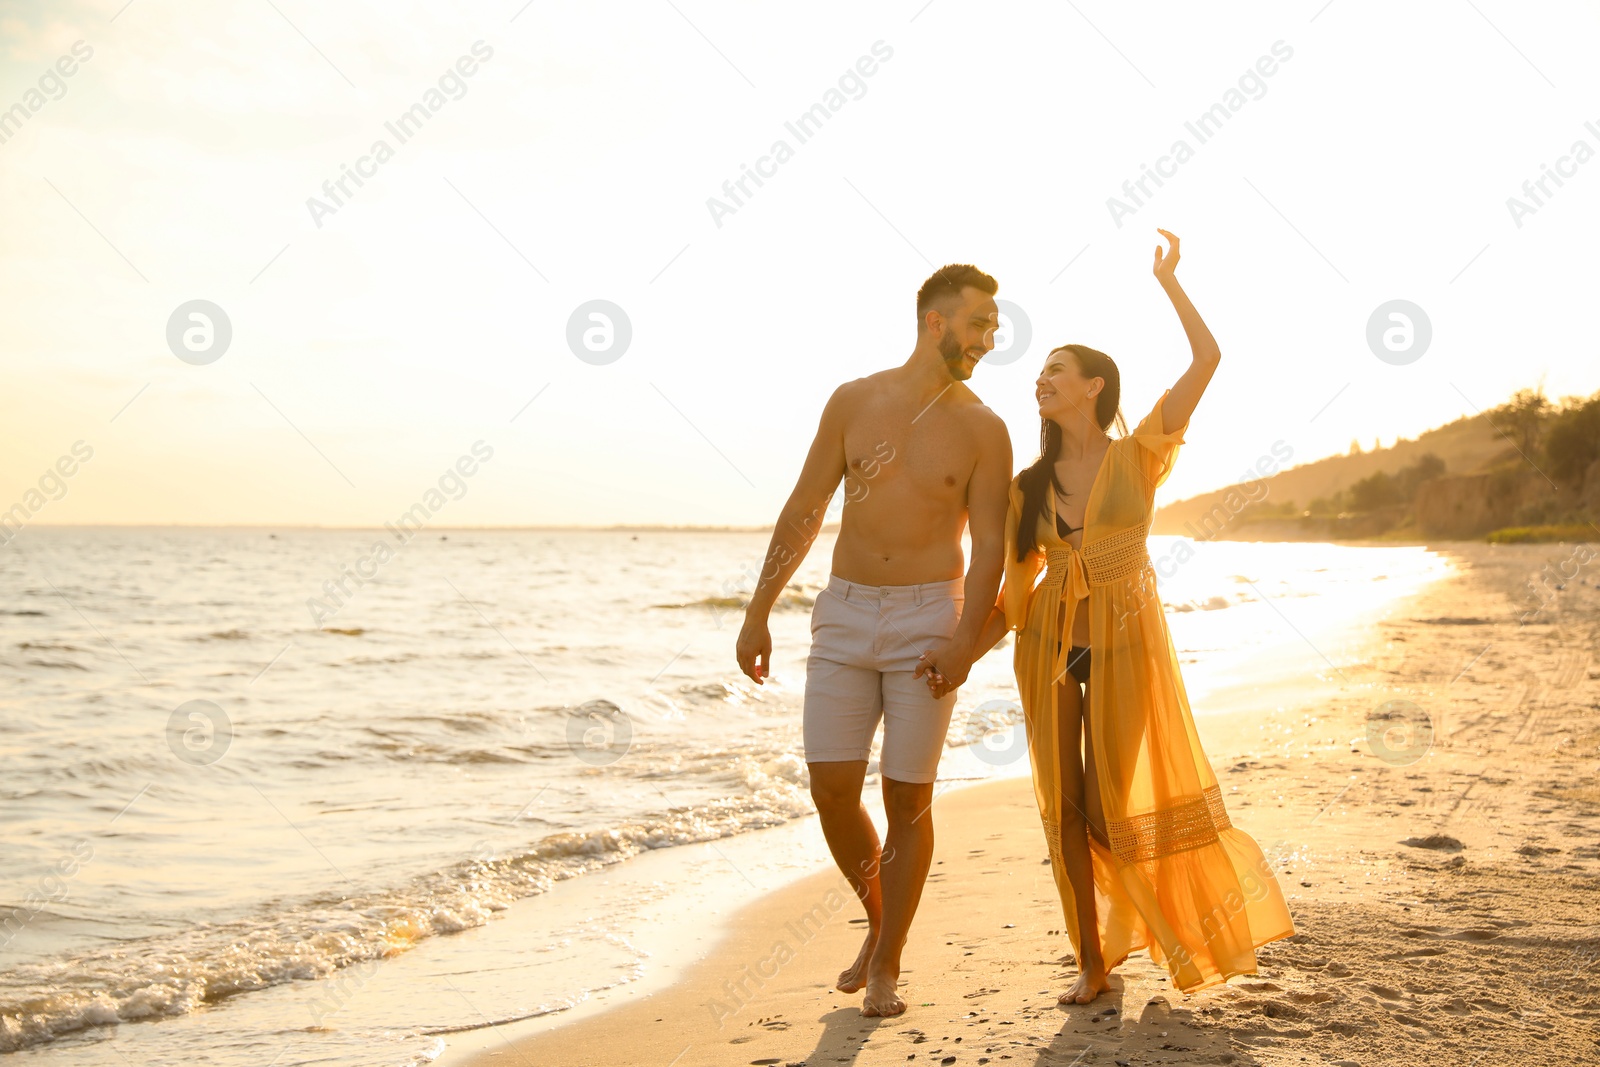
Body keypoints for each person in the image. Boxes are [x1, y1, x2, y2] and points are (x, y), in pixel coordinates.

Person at [922, 230, 1295, 1003]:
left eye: (1054, 370)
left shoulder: (1140, 457)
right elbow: (1010, 598)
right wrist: (960, 652)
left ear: (1094, 386)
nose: (1040, 381)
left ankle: (1159, 916)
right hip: (1050, 646)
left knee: (1108, 806)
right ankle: (1092, 961)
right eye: (1038, 374)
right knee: (1063, 805)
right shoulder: (1026, 488)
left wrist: (1169, 282)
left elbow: (1208, 361)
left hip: (1127, 644)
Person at [735, 264, 1013, 1017]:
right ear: (935, 321)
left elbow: (990, 546)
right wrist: (759, 608)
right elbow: (805, 505)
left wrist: (963, 642)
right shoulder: (854, 401)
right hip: (845, 612)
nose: (990, 338)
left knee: (907, 800)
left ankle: (887, 963)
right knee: (830, 788)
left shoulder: (985, 427)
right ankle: (880, 914)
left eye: (993, 327)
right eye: (980, 323)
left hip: (930, 616)